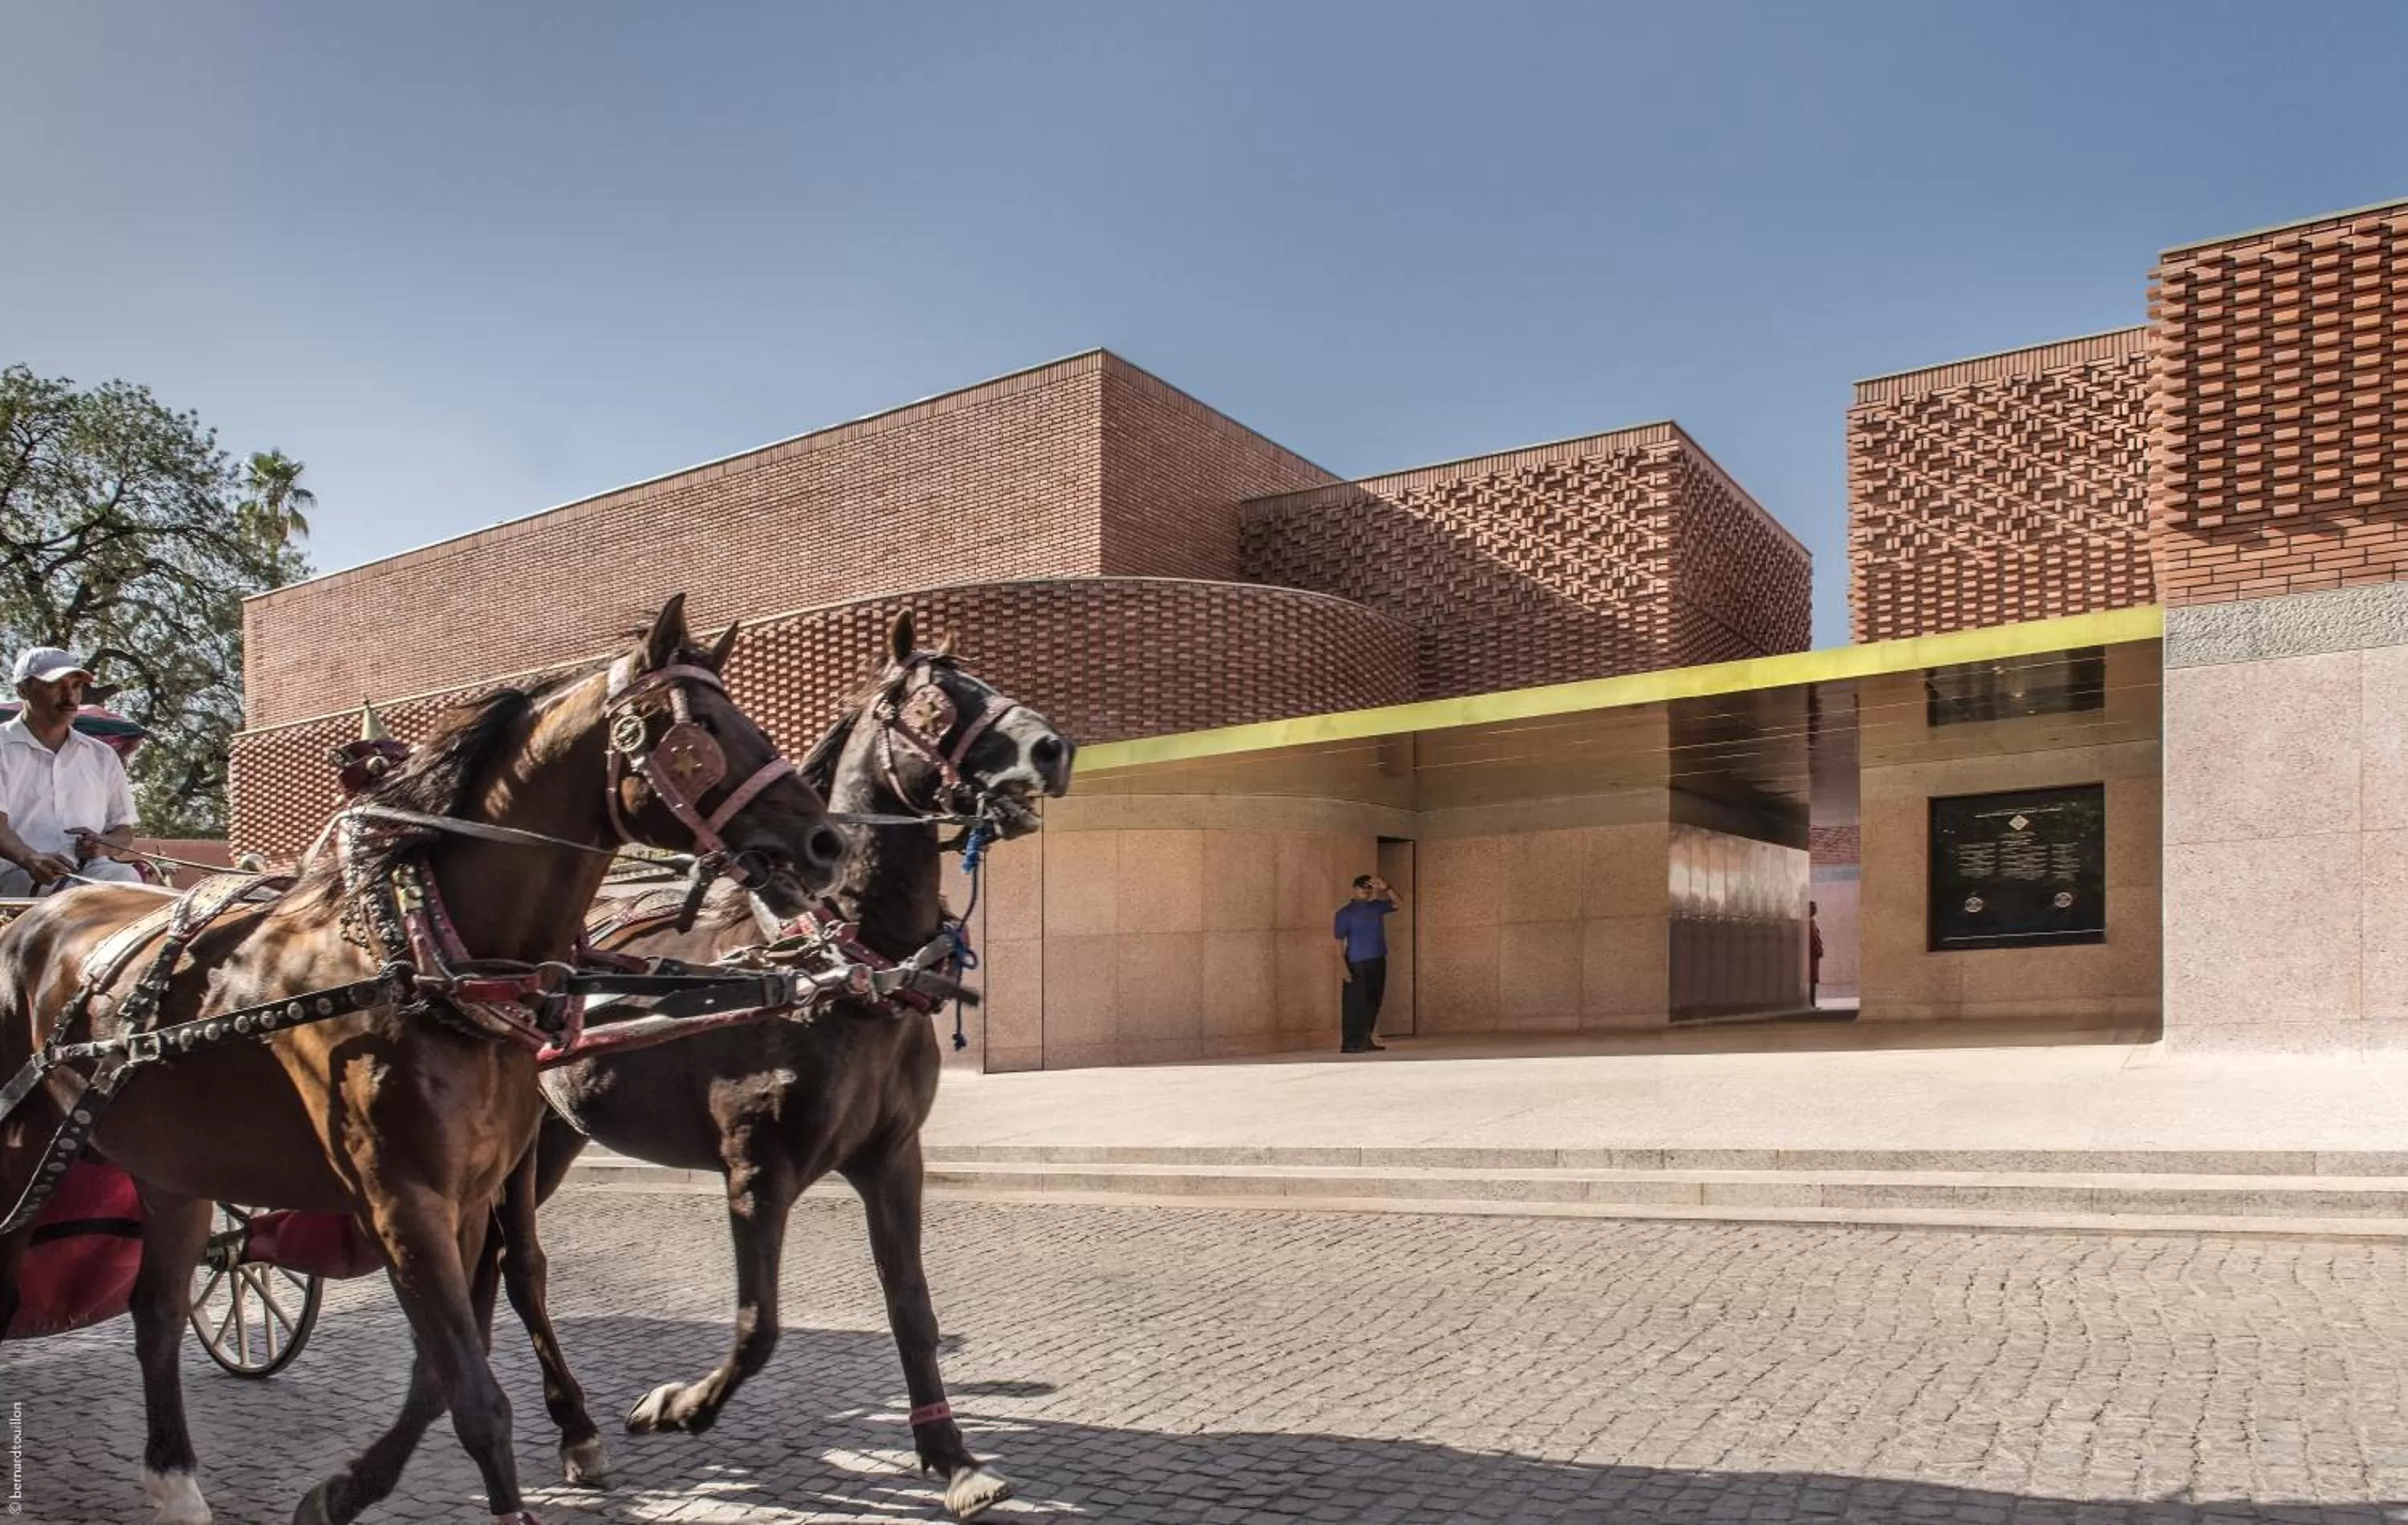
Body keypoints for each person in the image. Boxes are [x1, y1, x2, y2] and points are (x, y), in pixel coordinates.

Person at [0, 648, 144, 897]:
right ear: (23, 690)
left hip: (91, 871)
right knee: (59, 894)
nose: (70, 696)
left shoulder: (102, 755)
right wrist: (29, 858)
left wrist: (104, 845)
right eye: (55, 686)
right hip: (16, 873)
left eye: (76, 686)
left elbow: (124, 832)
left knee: (128, 882)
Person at [1332, 872, 1397, 1054]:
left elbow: (1399, 903)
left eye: (1369, 887)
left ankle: (1366, 1039)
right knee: (1355, 1003)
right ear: (1354, 889)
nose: (1366, 890)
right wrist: (1343, 967)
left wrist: (1387, 887)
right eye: (1362, 887)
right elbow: (1338, 941)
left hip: (1377, 958)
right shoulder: (1344, 913)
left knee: (1374, 1001)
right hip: (1356, 962)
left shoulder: (1376, 907)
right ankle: (1350, 1043)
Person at [1808, 901, 1824, 1007]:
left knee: (1813, 980)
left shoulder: (1812, 922)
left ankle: (1813, 1003)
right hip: (1810, 957)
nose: (1815, 910)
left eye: (1815, 907)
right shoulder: (1807, 924)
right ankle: (1811, 1003)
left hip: (1814, 956)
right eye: (1812, 908)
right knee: (1810, 980)